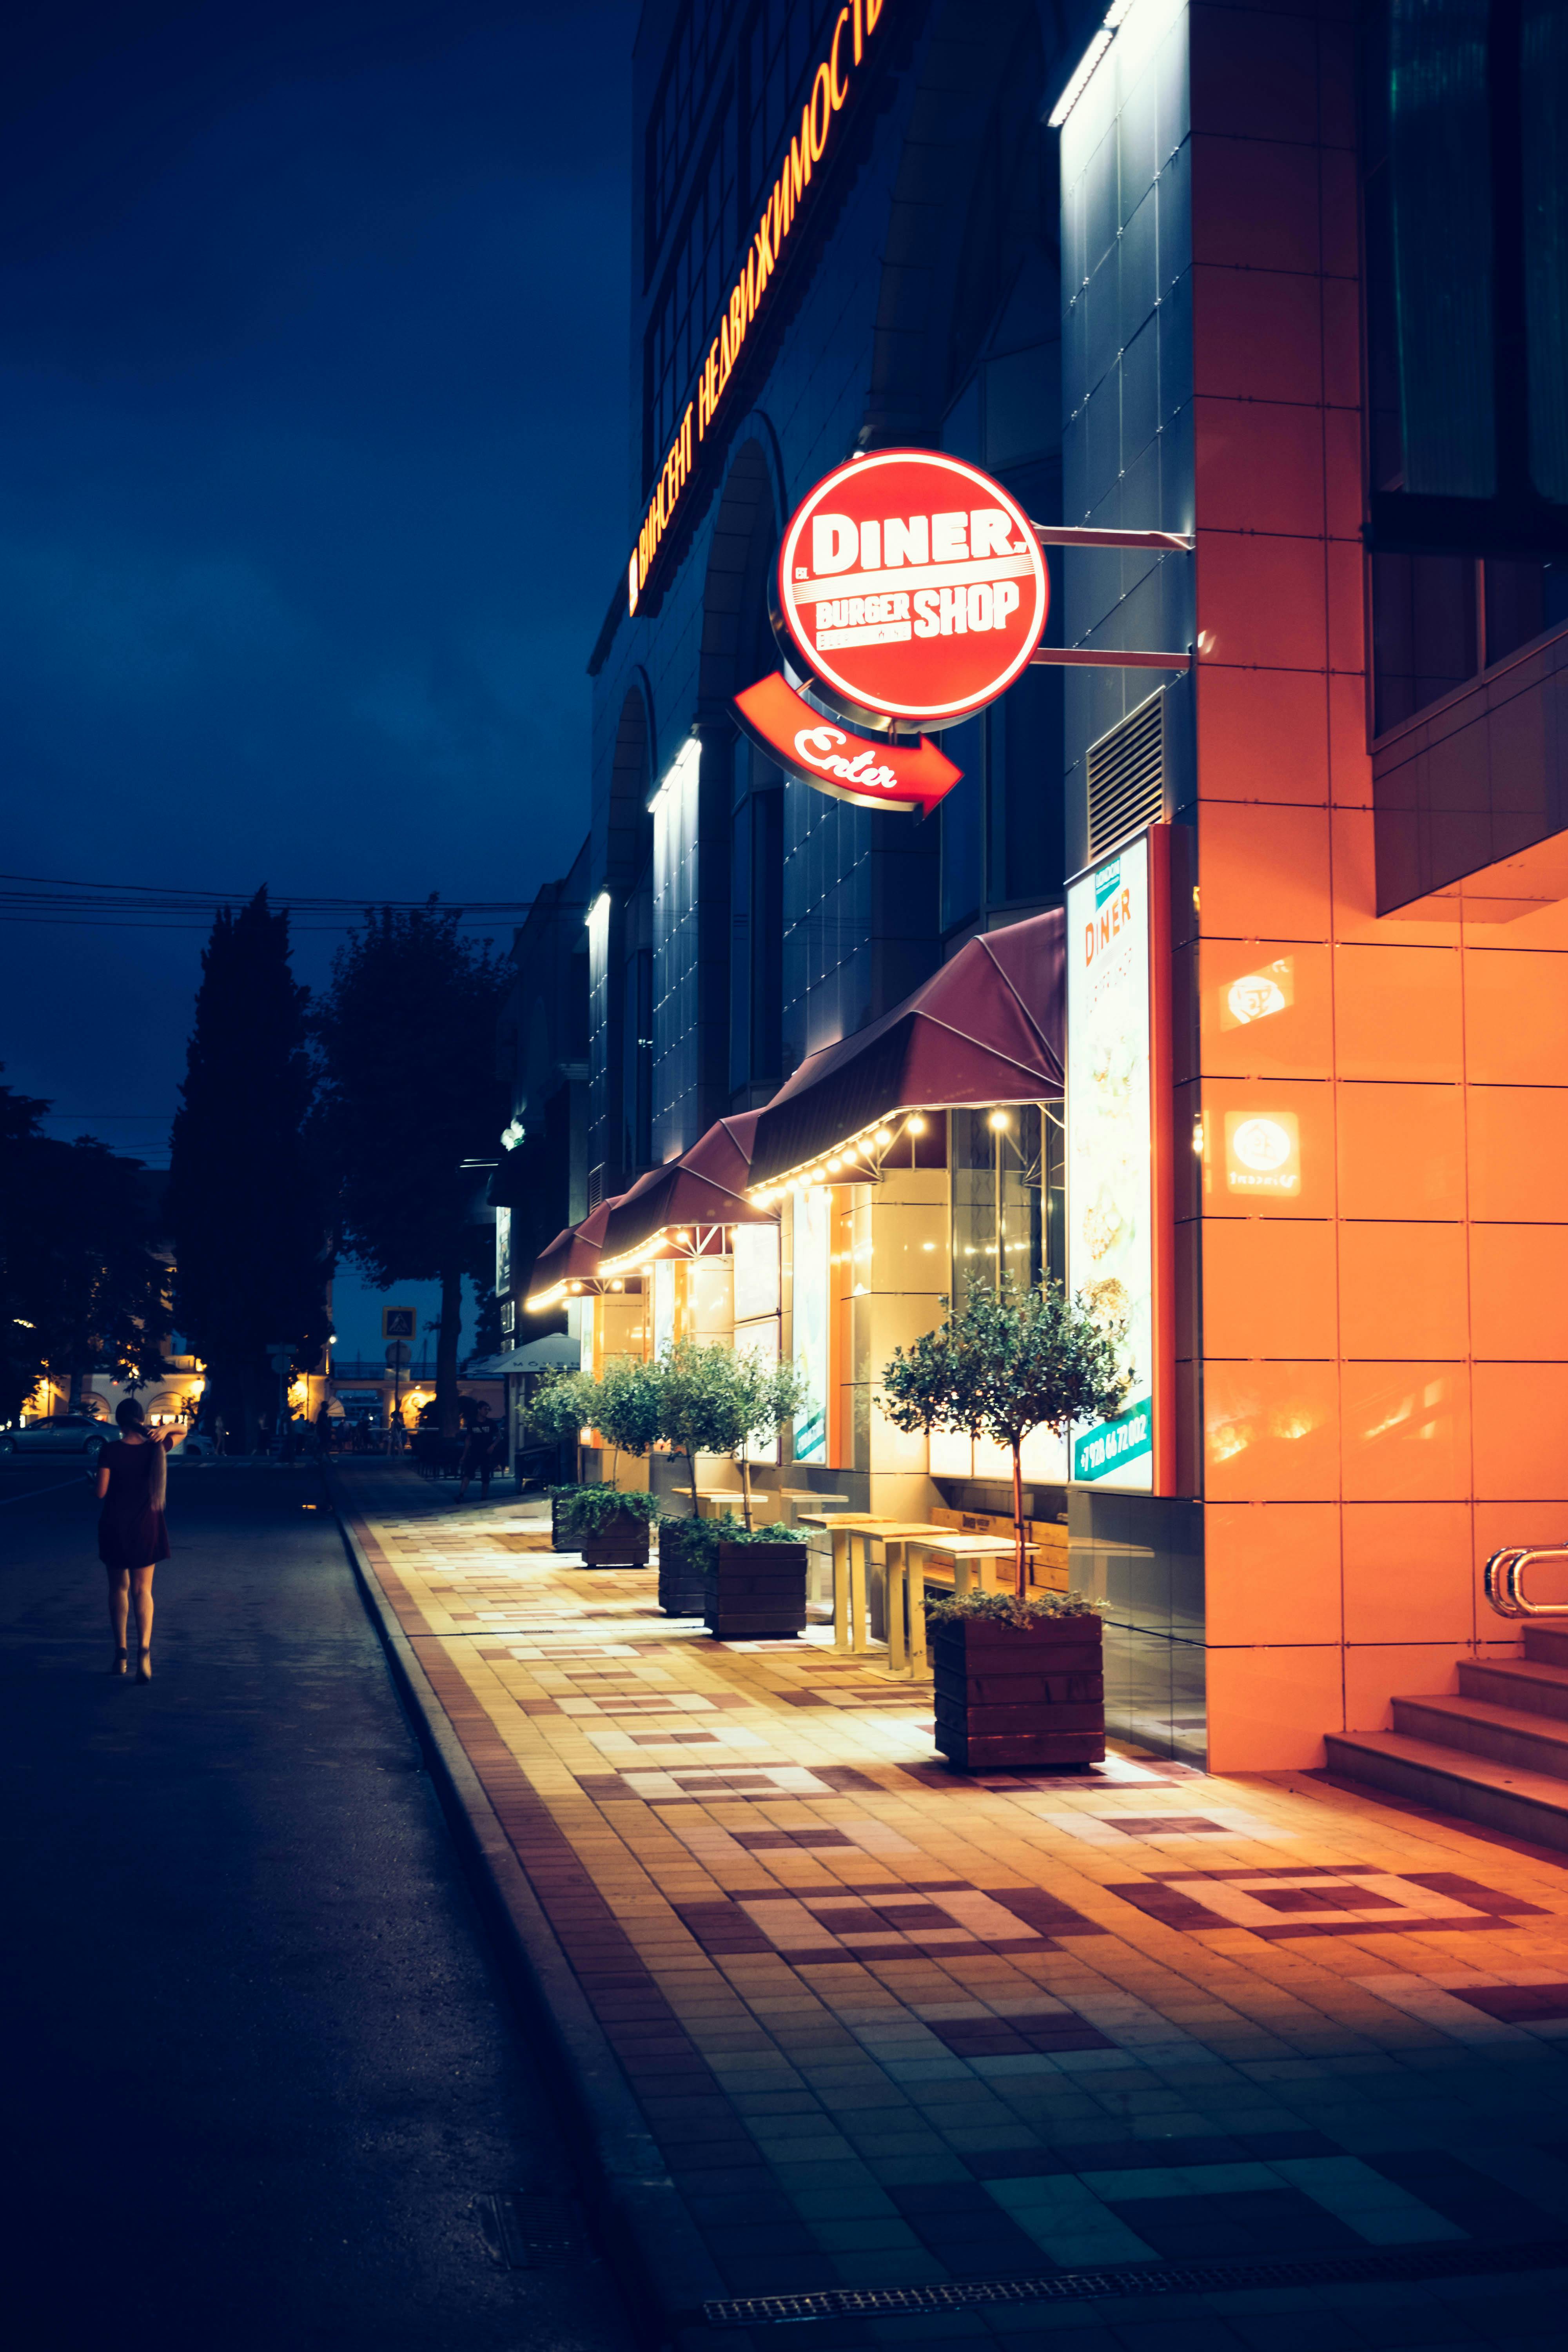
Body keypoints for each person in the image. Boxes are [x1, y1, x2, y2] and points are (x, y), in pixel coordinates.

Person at [95, 1397, 175, 1682]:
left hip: (115, 1527)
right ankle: (144, 1653)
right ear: (141, 1419)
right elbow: (182, 1432)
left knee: (118, 1589)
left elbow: (101, 1493)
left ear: (119, 1421)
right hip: (147, 1528)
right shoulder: (157, 1448)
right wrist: (166, 1429)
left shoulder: (110, 1450)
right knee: (143, 1591)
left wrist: (94, 1480)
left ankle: (121, 1657)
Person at [456, 1408, 498, 1503]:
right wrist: (464, 1455)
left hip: (486, 1453)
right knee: (468, 1473)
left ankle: (484, 1497)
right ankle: (461, 1494)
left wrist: (493, 1446)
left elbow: (499, 1436)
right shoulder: (472, 1423)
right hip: (475, 1452)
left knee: (486, 1476)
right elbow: (468, 1439)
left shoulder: (490, 1423)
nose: (487, 1412)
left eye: (488, 1410)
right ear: (479, 1410)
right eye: (485, 1409)